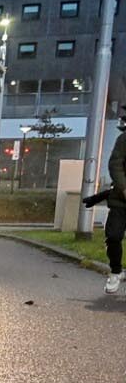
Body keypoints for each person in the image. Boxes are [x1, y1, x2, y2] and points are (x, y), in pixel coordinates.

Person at [81, 107, 126, 293]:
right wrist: (124, 187)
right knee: (114, 236)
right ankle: (115, 272)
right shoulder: (124, 140)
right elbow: (115, 164)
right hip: (121, 201)